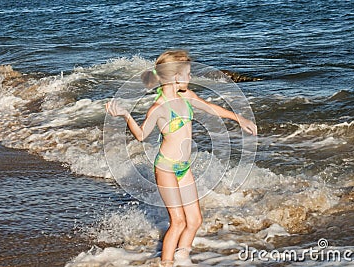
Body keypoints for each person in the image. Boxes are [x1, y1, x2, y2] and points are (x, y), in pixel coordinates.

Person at [105, 50, 257, 267]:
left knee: (195, 221)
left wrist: (238, 117)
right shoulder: (159, 107)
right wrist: (125, 115)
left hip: (184, 168)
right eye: (188, 74)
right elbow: (140, 135)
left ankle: (183, 259)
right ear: (176, 76)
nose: (191, 77)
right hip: (166, 168)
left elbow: (210, 108)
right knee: (177, 222)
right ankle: (165, 263)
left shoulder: (187, 96)